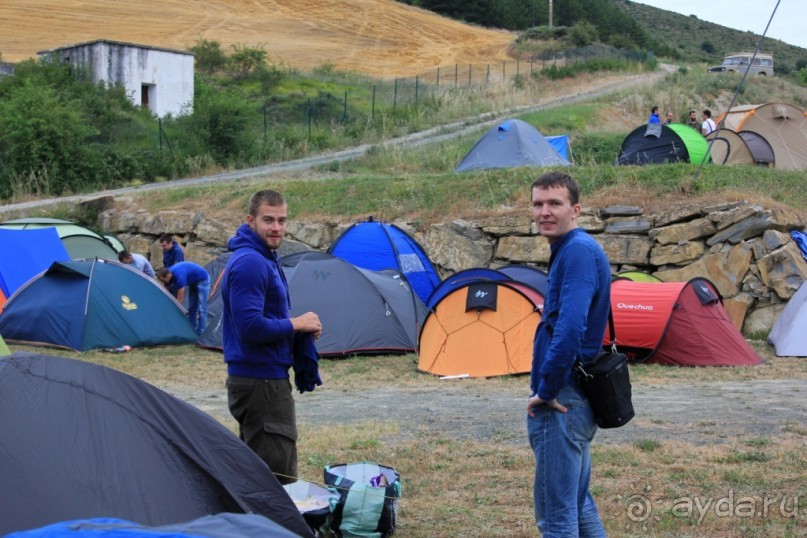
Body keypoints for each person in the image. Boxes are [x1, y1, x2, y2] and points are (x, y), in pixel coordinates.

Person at [526, 171, 611, 537]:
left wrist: (547, 389)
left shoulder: (576, 252)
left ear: (575, 210)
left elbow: (571, 327)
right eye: (538, 204)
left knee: (556, 517)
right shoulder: (573, 249)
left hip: (563, 397)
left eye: (555, 203)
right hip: (574, 395)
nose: (545, 212)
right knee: (577, 504)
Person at [221, 189, 322, 485]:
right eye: (268, 220)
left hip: (259, 379)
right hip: (261, 383)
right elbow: (250, 327)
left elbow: (264, 318)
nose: (276, 227)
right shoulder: (251, 263)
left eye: (281, 220)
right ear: (250, 221)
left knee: (258, 474)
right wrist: (296, 324)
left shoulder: (264, 257)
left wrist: (299, 330)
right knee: (277, 479)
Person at [156, 262, 210, 335]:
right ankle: (191, 329)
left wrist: (176, 311)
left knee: (202, 308)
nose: (164, 282)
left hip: (203, 280)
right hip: (193, 282)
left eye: (164, 280)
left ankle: (201, 332)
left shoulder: (179, 276)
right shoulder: (167, 273)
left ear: (168, 276)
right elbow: (165, 289)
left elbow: (180, 298)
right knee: (192, 308)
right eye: (162, 281)